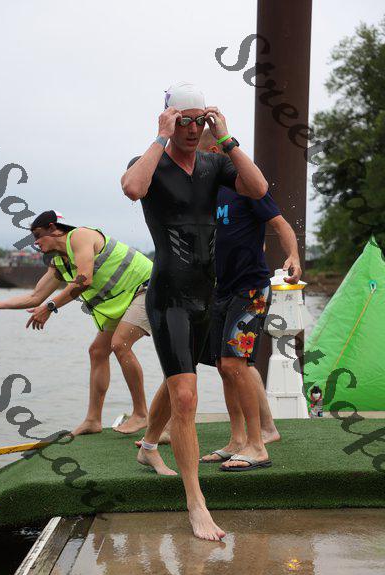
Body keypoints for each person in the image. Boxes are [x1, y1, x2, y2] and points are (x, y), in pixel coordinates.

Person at [121, 81, 268, 541]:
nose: (191, 129)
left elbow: (259, 188)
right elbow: (132, 188)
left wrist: (226, 136)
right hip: (168, 296)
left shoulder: (214, 164)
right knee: (186, 395)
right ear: (169, 119)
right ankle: (196, 503)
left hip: (207, 295)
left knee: (177, 383)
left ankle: (148, 445)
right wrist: (160, 137)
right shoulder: (149, 161)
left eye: (198, 120)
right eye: (183, 120)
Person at [0, 210, 154, 436]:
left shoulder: (80, 236)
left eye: (38, 235)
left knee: (119, 344)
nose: (35, 242)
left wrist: (50, 307)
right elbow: (35, 297)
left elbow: (84, 279)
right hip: (123, 299)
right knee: (97, 351)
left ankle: (141, 414)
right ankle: (93, 420)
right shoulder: (59, 263)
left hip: (147, 288)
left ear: (53, 228)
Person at [197, 130, 302, 470]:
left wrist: (293, 256)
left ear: (214, 153)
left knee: (235, 364)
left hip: (252, 289)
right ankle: (237, 439)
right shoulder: (210, 190)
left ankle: (257, 445)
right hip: (223, 289)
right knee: (223, 367)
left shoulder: (244, 185)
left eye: (199, 156)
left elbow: (281, 224)